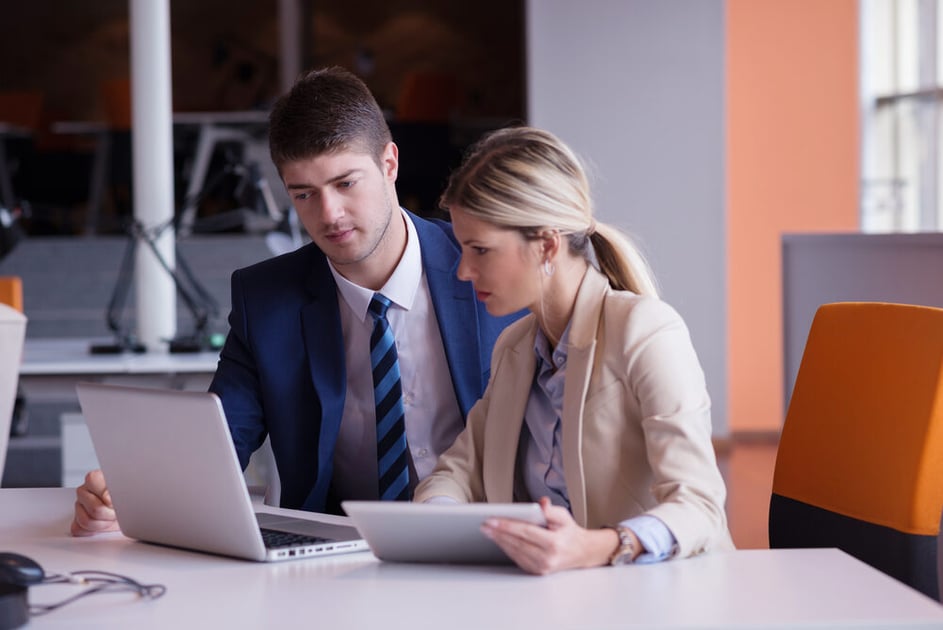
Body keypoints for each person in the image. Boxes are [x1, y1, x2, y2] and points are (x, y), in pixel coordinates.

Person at [70, 66, 522, 536]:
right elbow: (221, 440)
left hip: (489, 543)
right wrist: (130, 492)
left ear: (390, 164)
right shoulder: (266, 299)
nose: (329, 215)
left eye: (346, 183)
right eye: (304, 194)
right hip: (343, 557)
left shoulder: (486, 270)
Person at [413, 126, 735, 574]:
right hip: (557, 598)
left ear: (546, 245)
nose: (464, 271)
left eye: (480, 250)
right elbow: (461, 469)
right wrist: (438, 518)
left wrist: (599, 546)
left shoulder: (646, 331)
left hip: (661, 594)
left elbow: (699, 503)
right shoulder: (516, 348)